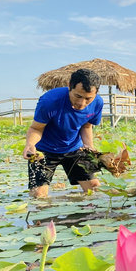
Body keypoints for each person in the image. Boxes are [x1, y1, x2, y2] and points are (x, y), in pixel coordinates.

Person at [23, 68, 104, 198]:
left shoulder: (98, 103)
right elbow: (36, 128)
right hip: (45, 150)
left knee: (95, 190)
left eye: (88, 99)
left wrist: (89, 146)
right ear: (69, 87)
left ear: (96, 93)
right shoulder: (49, 101)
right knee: (38, 196)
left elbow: (87, 126)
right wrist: (30, 144)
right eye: (77, 96)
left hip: (74, 148)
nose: (81, 103)